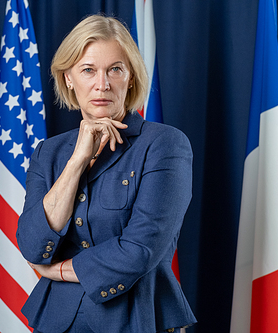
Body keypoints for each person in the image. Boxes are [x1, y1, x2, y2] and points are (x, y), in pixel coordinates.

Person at [16, 14, 196, 333]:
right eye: (88, 70)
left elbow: (140, 251)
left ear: (130, 77)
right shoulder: (50, 152)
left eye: (115, 69)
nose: (102, 84)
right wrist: (77, 161)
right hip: (57, 321)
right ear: (69, 78)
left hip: (140, 318)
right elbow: (32, 245)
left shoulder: (165, 144)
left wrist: (57, 271)